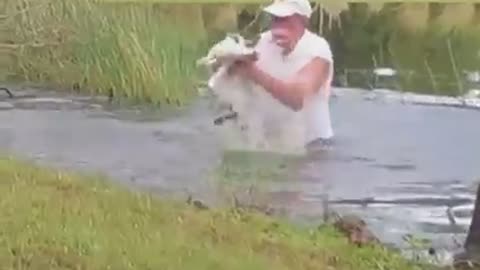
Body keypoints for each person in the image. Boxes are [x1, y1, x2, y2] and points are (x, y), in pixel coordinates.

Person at [228, 0, 335, 152]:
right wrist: (231, 65)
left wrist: (253, 73)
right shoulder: (264, 41)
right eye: (275, 18)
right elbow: (240, 74)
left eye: (285, 19)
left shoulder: (318, 51)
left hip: (314, 147)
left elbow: (297, 99)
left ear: (302, 21)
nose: (278, 25)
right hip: (270, 143)